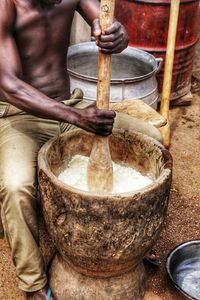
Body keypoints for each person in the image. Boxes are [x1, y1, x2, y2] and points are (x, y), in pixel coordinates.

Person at [0, 1, 160, 299]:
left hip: (69, 105)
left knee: (151, 139)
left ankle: (134, 242)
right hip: (20, 114)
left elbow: (108, 21)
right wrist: (78, 118)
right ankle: (33, 282)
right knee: (16, 186)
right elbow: (9, 85)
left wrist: (116, 35)